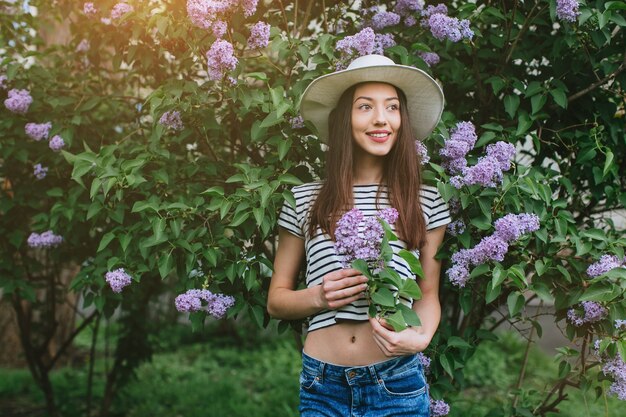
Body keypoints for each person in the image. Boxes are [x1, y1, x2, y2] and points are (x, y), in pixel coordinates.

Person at [267, 54, 451, 416]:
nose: (381, 119)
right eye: (365, 107)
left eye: (392, 107)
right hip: (322, 384)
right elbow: (277, 301)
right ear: (343, 120)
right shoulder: (305, 200)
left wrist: (420, 337)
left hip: (396, 382)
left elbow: (427, 295)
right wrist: (319, 296)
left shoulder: (425, 201)